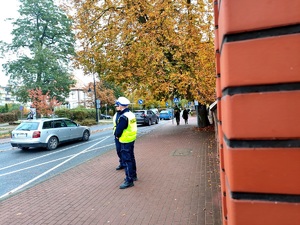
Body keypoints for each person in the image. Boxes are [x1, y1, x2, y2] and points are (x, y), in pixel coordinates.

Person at [114, 96, 138, 189]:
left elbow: (119, 130)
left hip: (124, 140)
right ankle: (134, 175)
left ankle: (129, 180)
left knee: (127, 160)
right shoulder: (130, 114)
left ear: (121, 106)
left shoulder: (123, 117)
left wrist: (117, 135)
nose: (117, 106)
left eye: (117, 105)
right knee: (131, 158)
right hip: (131, 139)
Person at [113, 103, 125, 170]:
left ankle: (124, 163)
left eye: (117, 106)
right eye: (115, 106)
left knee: (123, 150)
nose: (116, 107)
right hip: (116, 135)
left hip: (122, 135)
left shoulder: (123, 115)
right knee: (118, 150)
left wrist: (118, 134)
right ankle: (122, 163)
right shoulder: (116, 114)